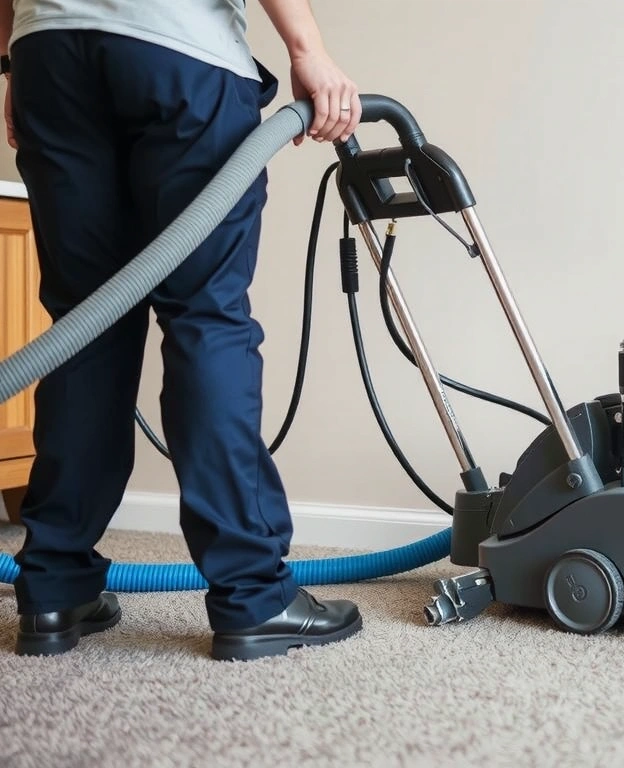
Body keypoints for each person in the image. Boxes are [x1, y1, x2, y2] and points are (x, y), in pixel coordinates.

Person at [0, 0, 365, 661]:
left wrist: (13, 64)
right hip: (177, 50)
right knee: (206, 317)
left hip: (48, 51)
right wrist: (307, 48)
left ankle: (54, 589)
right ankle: (254, 596)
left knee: (85, 324)